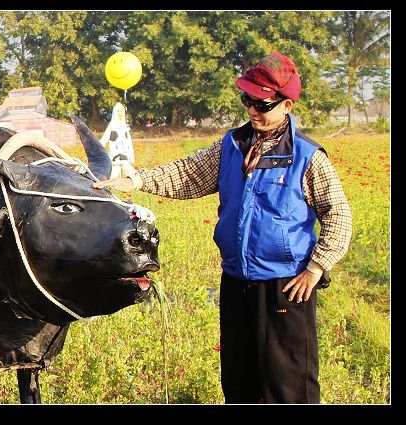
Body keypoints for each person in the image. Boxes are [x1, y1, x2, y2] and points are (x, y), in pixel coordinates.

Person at [93, 52, 352, 404]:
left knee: (288, 386)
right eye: (247, 100)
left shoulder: (308, 157)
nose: (252, 111)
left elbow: (338, 215)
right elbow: (188, 174)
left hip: (285, 287)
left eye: (262, 104)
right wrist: (136, 179)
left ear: (286, 104)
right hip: (236, 282)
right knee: (239, 379)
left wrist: (316, 268)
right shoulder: (232, 146)